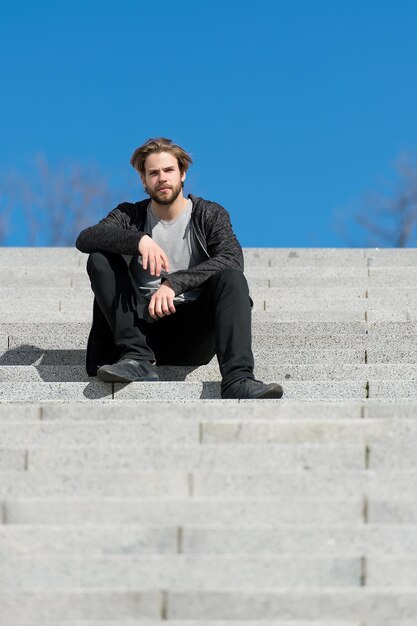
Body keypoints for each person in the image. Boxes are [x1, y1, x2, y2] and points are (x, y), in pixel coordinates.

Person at [75, 137, 283, 399]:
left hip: (192, 334)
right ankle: (138, 358)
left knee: (231, 278)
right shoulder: (130, 216)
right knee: (99, 259)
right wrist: (139, 240)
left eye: (168, 170)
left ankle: (237, 378)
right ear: (144, 180)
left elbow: (232, 258)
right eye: (153, 173)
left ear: (182, 174)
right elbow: (86, 237)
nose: (162, 178)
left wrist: (174, 283)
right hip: (138, 332)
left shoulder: (209, 213)